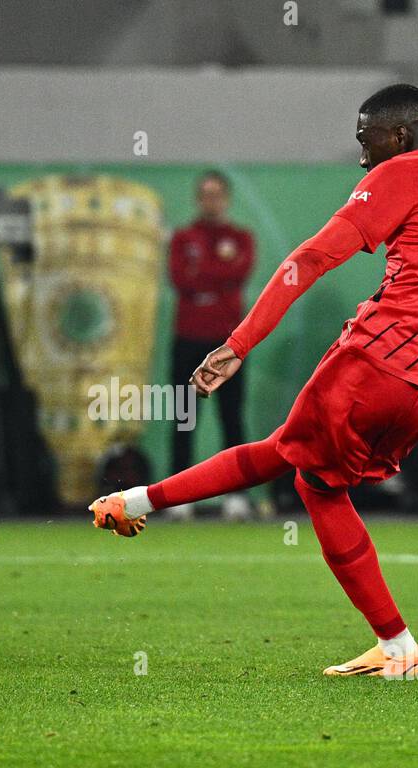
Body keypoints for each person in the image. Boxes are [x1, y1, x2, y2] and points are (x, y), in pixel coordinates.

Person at [90, 84, 418, 678]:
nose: (362, 158)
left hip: (383, 357)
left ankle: (400, 648)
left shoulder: (402, 173)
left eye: (367, 141)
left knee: (308, 474)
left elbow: (311, 258)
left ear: (400, 136)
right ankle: (133, 503)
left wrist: (239, 343)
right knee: (303, 462)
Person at [166, 171, 255, 520]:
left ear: (227, 199)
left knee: (232, 418)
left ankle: (237, 497)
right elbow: (179, 278)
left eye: (217, 194)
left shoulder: (241, 238)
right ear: (197, 199)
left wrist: (202, 274)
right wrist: (218, 274)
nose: (211, 201)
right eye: (205, 194)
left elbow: (239, 274)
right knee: (184, 418)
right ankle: (178, 496)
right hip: (187, 338)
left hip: (228, 343)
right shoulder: (182, 237)